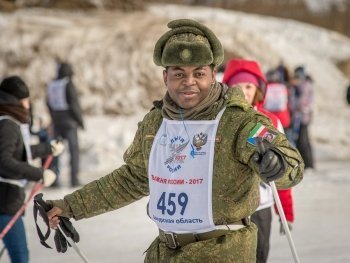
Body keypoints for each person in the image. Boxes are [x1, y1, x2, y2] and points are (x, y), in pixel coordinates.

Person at [45, 19, 304, 262]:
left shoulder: (239, 121)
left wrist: (278, 163)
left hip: (224, 253)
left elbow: (290, 165)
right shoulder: (156, 123)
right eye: (179, 73)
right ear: (165, 76)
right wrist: (69, 206)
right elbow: (132, 179)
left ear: (213, 75)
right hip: (165, 252)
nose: (189, 82)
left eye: (199, 73)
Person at [222, 58, 295, 263]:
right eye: (237, 86)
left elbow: (283, 169)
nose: (243, 92)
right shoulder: (218, 121)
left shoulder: (269, 121)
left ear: (258, 89)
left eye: (248, 86)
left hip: (260, 208)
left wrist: (286, 212)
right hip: (227, 210)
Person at [0, 76, 64, 263]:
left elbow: (20, 152)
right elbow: (4, 161)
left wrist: (47, 148)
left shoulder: (8, 122)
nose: (28, 104)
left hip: (7, 200)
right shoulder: (8, 125)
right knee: (20, 256)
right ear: (16, 100)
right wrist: (40, 174)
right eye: (26, 99)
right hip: (5, 202)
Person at [47, 62, 84, 187]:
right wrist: (80, 121)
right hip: (69, 123)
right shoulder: (67, 84)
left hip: (56, 121)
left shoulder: (52, 85)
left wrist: (53, 117)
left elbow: (48, 103)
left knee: (55, 151)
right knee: (74, 151)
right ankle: (74, 179)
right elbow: (74, 104)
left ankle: (53, 180)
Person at [290, 66, 314, 169]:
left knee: (303, 141)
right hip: (299, 117)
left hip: (303, 117)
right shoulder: (299, 86)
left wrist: (299, 108)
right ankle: (306, 163)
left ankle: (308, 164)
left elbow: (303, 101)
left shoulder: (306, 85)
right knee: (302, 140)